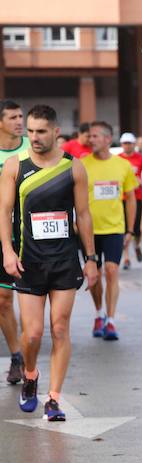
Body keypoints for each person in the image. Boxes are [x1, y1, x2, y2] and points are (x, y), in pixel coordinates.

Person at [0, 104, 99, 418]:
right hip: (28, 261)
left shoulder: (74, 167)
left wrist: (92, 258)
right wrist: (7, 251)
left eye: (41, 131)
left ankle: (54, 398)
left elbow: (83, 215)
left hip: (63, 260)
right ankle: (30, 374)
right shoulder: (15, 166)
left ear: (56, 132)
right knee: (32, 335)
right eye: (30, 131)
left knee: (59, 328)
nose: (34, 137)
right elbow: (3, 212)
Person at [82, 121, 138, 341]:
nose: (91, 140)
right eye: (89, 136)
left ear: (107, 139)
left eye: (95, 136)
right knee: (94, 276)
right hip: (89, 231)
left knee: (112, 271)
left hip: (114, 228)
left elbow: (131, 198)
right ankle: (98, 314)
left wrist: (130, 230)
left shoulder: (122, 166)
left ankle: (111, 320)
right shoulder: (82, 164)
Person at [0, 100, 29, 384]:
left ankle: (30, 352)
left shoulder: (31, 149)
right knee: (3, 299)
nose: (19, 121)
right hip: (2, 235)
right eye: (12, 117)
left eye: (21, 116)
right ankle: (17, 356)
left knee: (31, 298)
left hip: (29, 234)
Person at [119, 133, 142, 268]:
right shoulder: (118, 159)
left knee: (136, 229)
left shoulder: (140, 159)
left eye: (129, 143)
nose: (127, 145)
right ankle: (126, 258)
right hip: (121, 198)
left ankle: (137, 245)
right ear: (122, 144)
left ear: (134, 144)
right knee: (124, 228)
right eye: (125, 143)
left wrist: (141, 180)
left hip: (137, 197)